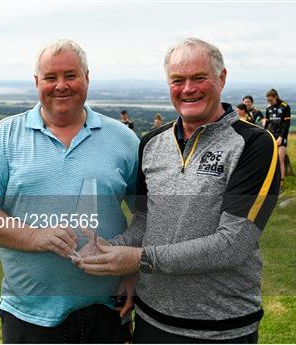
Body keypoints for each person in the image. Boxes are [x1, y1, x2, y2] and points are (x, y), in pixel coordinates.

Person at [77, 38, 280, 343]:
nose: (188, 89)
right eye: (178, 80)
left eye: (199, 78)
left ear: (221, 78)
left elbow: (234, 244)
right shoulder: (151, 143)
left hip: (221, 327)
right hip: (150, 320)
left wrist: (137, 259)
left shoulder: (254, 144)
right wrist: (107, 247)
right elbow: (145, 223)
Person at [0, 39, 139, 343]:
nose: (61, 86)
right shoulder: (3, 136)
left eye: (71, 75)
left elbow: (147, 214)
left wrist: (132, 271)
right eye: (50, 78)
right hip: (28, 313)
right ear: (36, 82)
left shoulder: (123, 139)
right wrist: (35, 236)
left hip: (107, 310)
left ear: (87, 77)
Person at [265, 89, 291, 191]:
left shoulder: (285, 106)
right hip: (271, 136)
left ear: (275, 97)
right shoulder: (268, 108)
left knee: (280, 160)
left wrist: (281, 137)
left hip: (281, 137)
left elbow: (286, 124)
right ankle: (270, 183)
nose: (269, 102)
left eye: (270, 100)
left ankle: (280, 185)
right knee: (270, 160)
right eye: (268, 101)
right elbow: (267, 123)